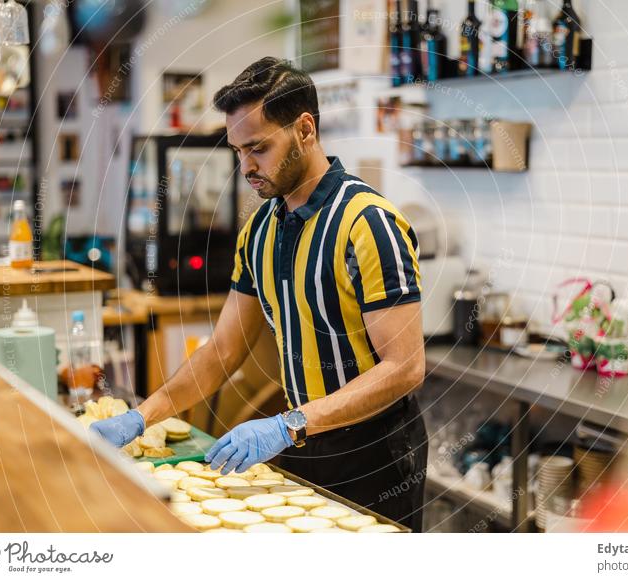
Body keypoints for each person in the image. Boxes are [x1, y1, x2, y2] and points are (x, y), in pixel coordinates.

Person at [91, 57, 428, 531]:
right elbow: (224, 351)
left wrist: (286, 424)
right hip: (303, 441)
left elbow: (406, 367)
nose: (246, 166)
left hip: (376, 456)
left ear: (305, 129)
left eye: (259, 148)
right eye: (237, 151)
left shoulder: (367, 224)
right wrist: (142, 416)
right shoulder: (259, 233)